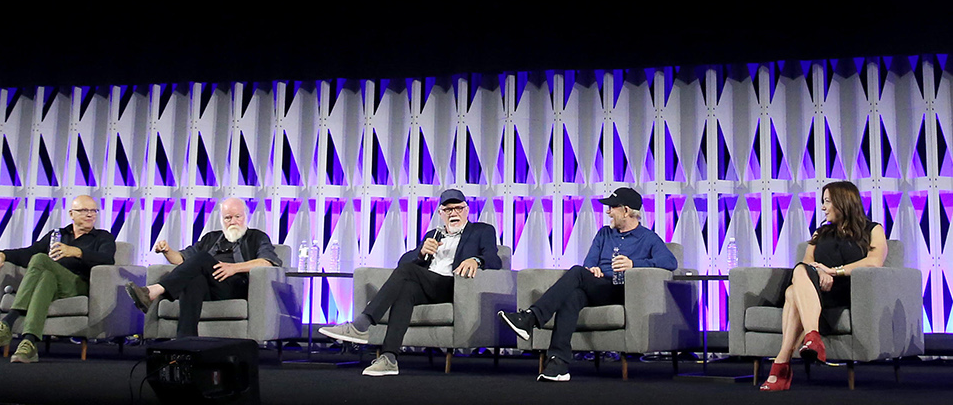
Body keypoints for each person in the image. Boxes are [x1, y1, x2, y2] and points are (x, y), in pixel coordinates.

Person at [499, 186, 677, 383]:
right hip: (598, 287)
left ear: (626, 211)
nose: (608, 211)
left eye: (612, 207)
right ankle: (557, 365)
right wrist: (593, 269)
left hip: (621, 290)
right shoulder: (604, 234)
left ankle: (531, 318)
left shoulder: (648, 237)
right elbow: (589, 263)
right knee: (573, 295)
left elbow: (670, 262)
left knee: (575, 276)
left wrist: (634, 264)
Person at [320, 188, 502, 377]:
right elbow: (403, 262)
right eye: (448, 210)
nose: (454, 213)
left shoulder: (482, 230)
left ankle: (361, 325)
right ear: (441, 213)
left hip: (455, 286)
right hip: (429, 286)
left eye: (458, 208)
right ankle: (389, 358)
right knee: (405, 289)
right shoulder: (434, 234)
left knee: (408, 272)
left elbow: (495, 260)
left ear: (466, 210)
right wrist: (422, 252)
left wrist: (476, 260)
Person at [758, 180, 888, 391]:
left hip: (847, 292)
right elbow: (807, 263)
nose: (823, 207)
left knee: (792, 293)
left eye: (827, 201)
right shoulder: (821, 233)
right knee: (799, 272)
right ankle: (812, 337)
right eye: (823, 201)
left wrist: (833, 271)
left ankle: (782, 364)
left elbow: (874, 262)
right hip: (817, 289)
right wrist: (820, 272)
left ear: (843, 202)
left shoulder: (873, 229)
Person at [0, 194, 116, 363]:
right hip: (52, 284)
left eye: (93, 210)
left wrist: (77, 252)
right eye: (84, 210)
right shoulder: (57, 235)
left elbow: (107, 259)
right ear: (72, 214)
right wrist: (2, 254)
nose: (90, 214)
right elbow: (29, 252)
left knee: (40, 259)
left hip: (78, 284)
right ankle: (29, 343)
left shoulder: (103, 237)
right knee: (46, 276)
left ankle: (8, 321)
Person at [125, 197, 280, 334]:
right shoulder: (211, 238)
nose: (233, 221)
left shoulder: (256, 237)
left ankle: (154, 291)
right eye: (228, 218)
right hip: (208, 288)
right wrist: (167, 251)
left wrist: (233, 268)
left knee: (203, 258)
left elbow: (266, 262)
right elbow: (181, 259)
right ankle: (185, 342)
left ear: (246, 216)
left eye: (237, 216)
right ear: (222, 219)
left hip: (234, 287)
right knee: (194, 280)